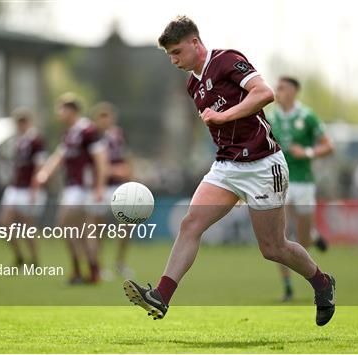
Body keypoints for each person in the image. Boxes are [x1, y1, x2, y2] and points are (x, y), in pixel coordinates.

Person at [123, 16, 336, 326]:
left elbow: (264, 94)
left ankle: (322, 283)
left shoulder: (227, 60)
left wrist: (224, 117)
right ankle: (161, 296)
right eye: (169, 54)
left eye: (177, 52)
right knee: (190, 224)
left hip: (264, 164)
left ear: (195, 43)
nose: (173, 60)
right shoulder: (192, 84)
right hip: (226, 167)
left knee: (273, 248)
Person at [269, 76, 334, 301]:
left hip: (304, 182)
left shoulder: (307, 116)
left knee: (302, 240)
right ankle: (287, 288)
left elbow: (328, 146)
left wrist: (307, 152)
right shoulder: (271, 118)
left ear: (294, 92)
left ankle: (312, 237)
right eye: (276, 88)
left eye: (282, 88)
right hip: (280, 182)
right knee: (280, 236)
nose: (277, 92)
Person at [33, 93, 109, 284]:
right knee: (78, 231)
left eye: (62, 109)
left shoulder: (87, 131)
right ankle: (89, 269)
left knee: (66, 224)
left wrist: (100, 186)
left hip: (85, 188)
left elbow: (101, 159)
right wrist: (43, 175)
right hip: (72, 187)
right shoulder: (69, 133)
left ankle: (84, 269)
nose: (59, 113)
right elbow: (58, 157)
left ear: (72, 110)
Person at [87, 101, 135, 279]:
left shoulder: (118, 135)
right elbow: (96, 164)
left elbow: (127, 157)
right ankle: (97, 266)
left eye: (108, 116)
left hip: (118, 187)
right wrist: (116, 170)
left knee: (127, 224)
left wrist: (130, 177)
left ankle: (120, 262)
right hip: (100, 187)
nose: (105, 120)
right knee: (97, 228)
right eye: (102, 116)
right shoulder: (92, 136)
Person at [0, 109, 46, 267]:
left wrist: (34, 188)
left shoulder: (35, 140)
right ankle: (19, 256)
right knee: (4, 222)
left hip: (27, 189)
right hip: (15, 188)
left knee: (28, 227)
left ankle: (34, 260)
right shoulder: (19, 141)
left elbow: (39, 165)